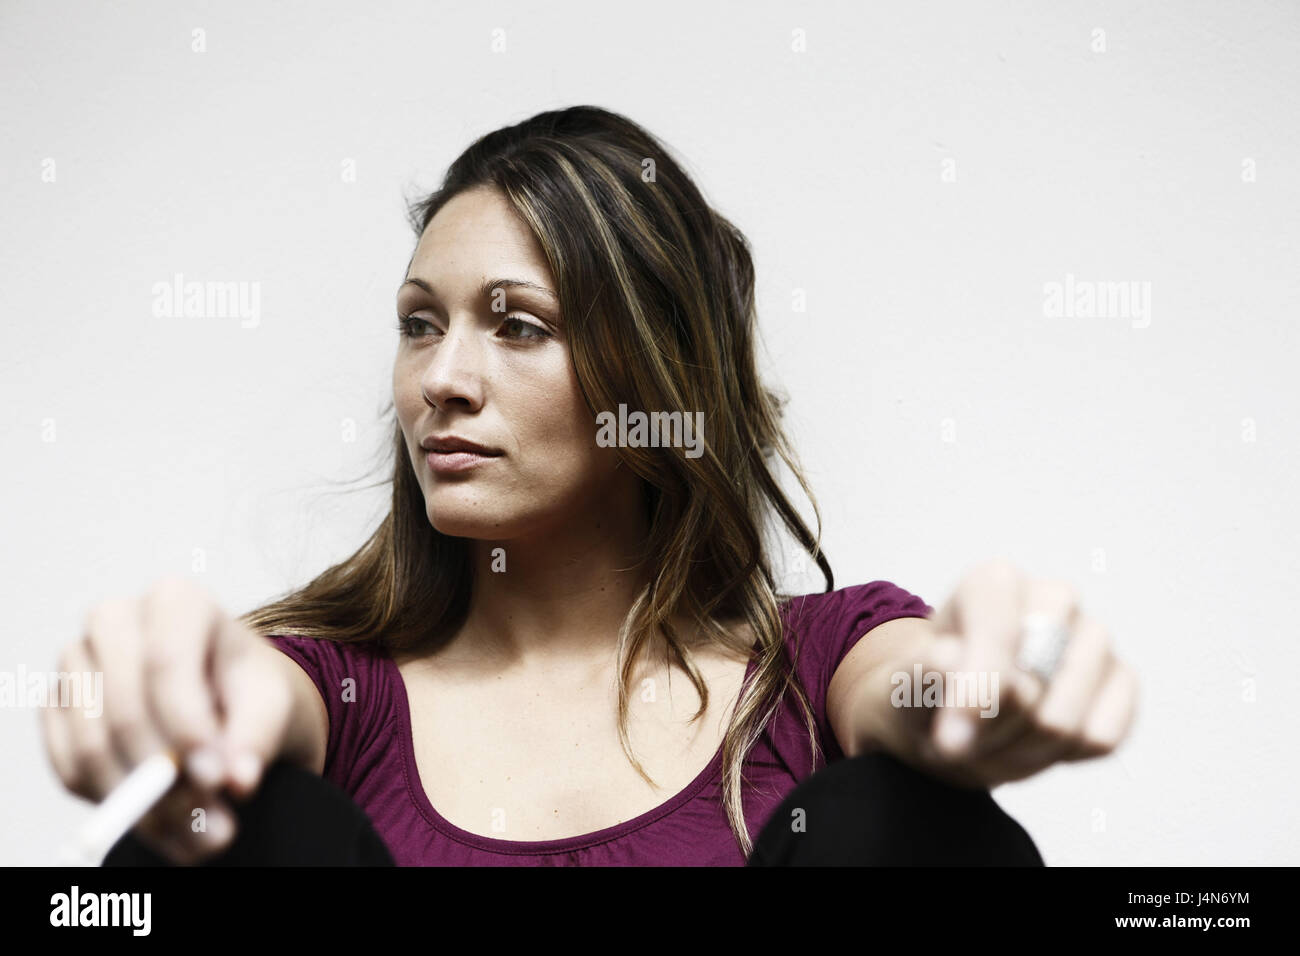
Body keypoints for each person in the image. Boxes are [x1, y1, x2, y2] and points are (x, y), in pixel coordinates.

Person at [46, 105, 1138, 866]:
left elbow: (921, 688)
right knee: (243, 829)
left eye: (517, 326)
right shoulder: (337, 696)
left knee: (902, 816)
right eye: (419, 324)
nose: (441, 379)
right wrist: (178, 698)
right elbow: (250, 704)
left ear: (650, 375)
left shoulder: (813, 669)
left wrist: (992, 680)